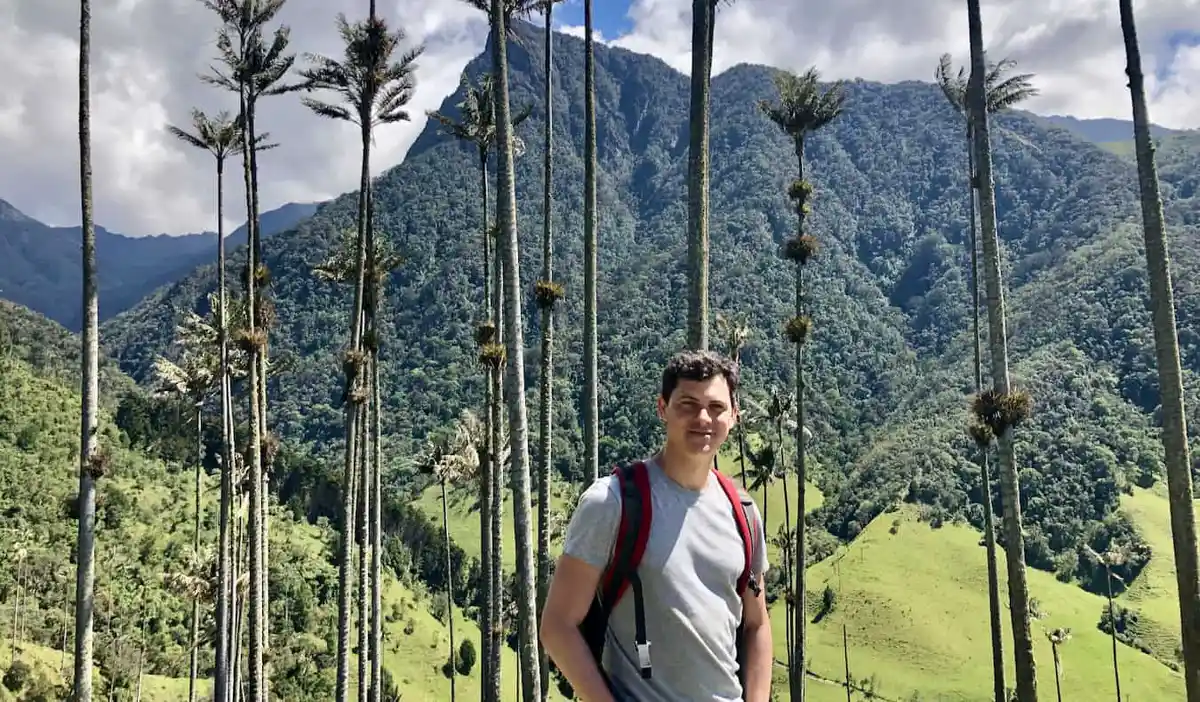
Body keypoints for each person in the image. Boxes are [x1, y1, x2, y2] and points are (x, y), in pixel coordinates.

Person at [539, 349, 772, 702]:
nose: (703, 418)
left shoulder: (743, 512)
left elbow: (756, 623)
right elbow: (557, 625)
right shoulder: (613, 503)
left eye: (716, 407)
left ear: (735, 416)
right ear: (663, 408)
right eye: (688, 405)